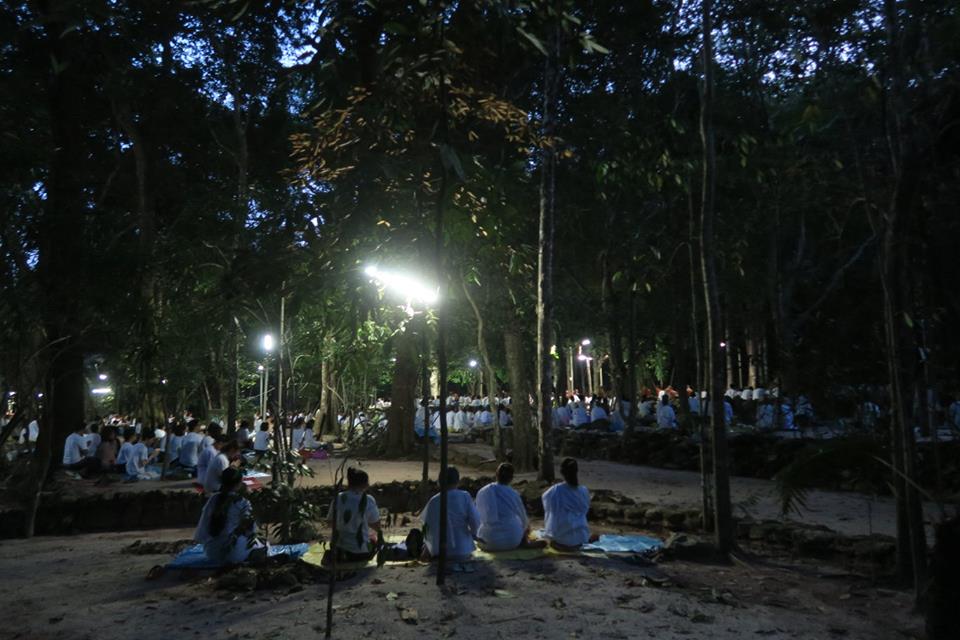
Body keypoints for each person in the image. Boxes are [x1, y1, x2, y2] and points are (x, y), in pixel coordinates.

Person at [194, 467, 263, 565]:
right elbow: (251, 530)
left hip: (211, 552)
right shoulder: (242, 502)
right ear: (239, 483)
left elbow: (203, 528)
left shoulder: (213, 499)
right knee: (263, 544)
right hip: (234, 553)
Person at [421, 466, 481, 561]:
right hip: (463, 550)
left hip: (440, 552)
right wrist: (474, 534)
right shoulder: (465, 496)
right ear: (458, 481)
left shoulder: (433, 501)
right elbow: (475, 521)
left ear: (439, 481)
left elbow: (426, 528)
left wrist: (427, 548)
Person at [476, 463, 535, 551]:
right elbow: (524, 520)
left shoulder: (483, 491)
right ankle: (524, 542)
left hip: (487, 542)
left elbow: (478, 516)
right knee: (519, 520)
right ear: (511, 478)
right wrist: (525, 531)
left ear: (496, 475)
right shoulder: (513, 494)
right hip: (512, 541)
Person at [327, 468, 382, 562]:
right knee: (374, 539)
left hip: (338, 551)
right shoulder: (368, 499)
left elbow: (330, 523)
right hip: (360, 553)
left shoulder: (338, 497)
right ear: (365, 484)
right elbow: (377, 526)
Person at [542, 458, 591, 550]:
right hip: (581, 537)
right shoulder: (584, 490)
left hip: (562, 539)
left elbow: (545, 500)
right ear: (576, 471)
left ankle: (562, 541)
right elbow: (585, 509)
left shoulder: (556, 490)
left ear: (562, 472)